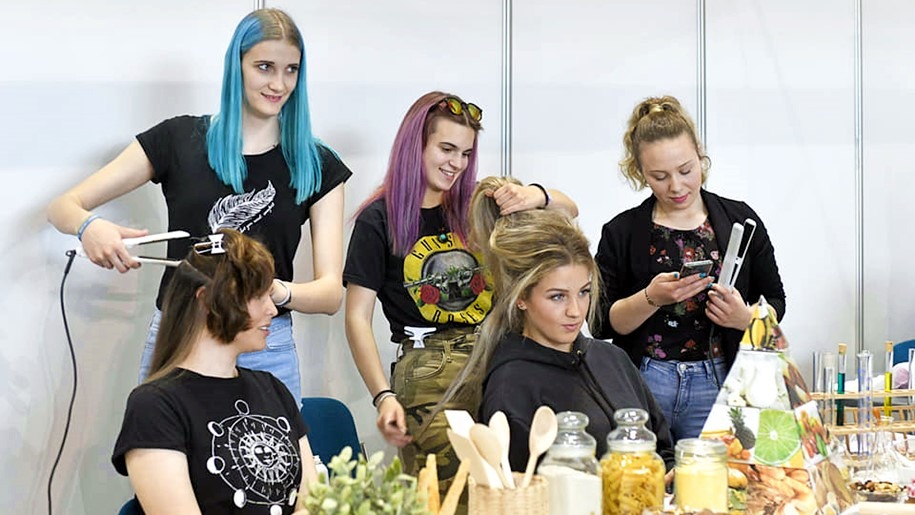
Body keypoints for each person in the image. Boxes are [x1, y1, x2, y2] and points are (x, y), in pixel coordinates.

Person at [46, 8, 352, 398]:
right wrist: (90, 227)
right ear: (237, 65)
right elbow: (63, 206)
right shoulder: (178, 139)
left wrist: (273, 291)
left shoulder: (316, 164)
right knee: (160, 437)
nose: (279, 83)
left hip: (264, 345)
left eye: (291, 70)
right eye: (264, 67)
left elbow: (330, 294)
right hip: (181, 336)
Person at [343, 91, 578, 485]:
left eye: (466, 153)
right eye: (447, 149)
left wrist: (533, 195)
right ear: (415, 146)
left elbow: (569, 211)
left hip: (499, 357)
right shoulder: (380, 219)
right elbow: (356, 317)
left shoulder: (478, 205)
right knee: (452, 495)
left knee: (518, 487)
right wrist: (383, 396)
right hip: (430, 368)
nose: (457, 163)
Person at [440, 176, 674, 471]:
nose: (575, 311)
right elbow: (523, 490)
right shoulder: (511, 386)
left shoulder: (612, 358)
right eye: (557, 297)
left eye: (584, 292)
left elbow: (664, 450)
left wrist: (669, 475)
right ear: (521, 297)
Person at [593, 95, 786, 443]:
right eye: (659, 176)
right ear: (639, 172)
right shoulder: (621, 232)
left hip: (720, 378)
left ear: (700, 155)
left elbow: (775, 300)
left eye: (686, 170)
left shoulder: (740, 220)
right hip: (646, 379)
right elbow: (600, 323)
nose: (676, 186)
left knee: (714, 475)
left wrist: (745, 318)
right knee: (644, 474)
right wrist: (651, 298)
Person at [112, 229, 317, 514]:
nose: (272, 309)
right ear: (207, 301)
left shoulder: (273, 388)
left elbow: (315, 501)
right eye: (259, 296)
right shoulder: (154, 407)